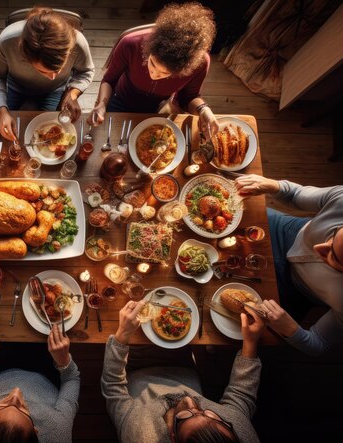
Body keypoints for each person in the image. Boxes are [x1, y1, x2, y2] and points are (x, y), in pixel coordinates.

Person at [101, 300, 265, 443]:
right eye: (207, 413)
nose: (188, 400)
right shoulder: (241, 432)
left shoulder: (140, 435)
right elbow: (241, 395)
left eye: (185, 415)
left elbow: (113, 388)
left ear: (172, 437)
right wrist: (250, 342)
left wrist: (122, 335)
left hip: (136, 369)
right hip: (185, 366)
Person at [235, 174, 343, 356]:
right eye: (333, 236)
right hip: (284, 231)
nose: (318, 247)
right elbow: (296, 194)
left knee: (242, 324)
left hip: (294, 291)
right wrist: (273, 185)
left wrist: (290, 328)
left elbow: (320, 345)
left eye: (334, 257)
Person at [89, 2, 218, 138]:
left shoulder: (200, 64)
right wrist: (102, 104)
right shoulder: (131, 44)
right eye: (152, 63)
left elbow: (189, 97)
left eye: (165, 73)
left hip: (159, 107)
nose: (154, 75)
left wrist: (204, 109)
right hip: (121, 99)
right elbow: (109, 80)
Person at [0, 326, 79, 442]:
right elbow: (71, 379)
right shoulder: (57, 435)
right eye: (22, 409)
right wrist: (64, 362)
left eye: (3, 406)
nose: (16, 391)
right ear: (36, 431)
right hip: (49, 373)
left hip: (0, 368)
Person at [0, 7, 95, 141]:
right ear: (25, 55)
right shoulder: (7, 41)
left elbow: (86, 71)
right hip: (15, 87)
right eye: (42, 71)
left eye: (59, 69)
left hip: (54, 91)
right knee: (3, 135)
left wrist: (72, 92)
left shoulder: (78, 42)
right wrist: (2, 111)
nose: (53, 77)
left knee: (48, 135)